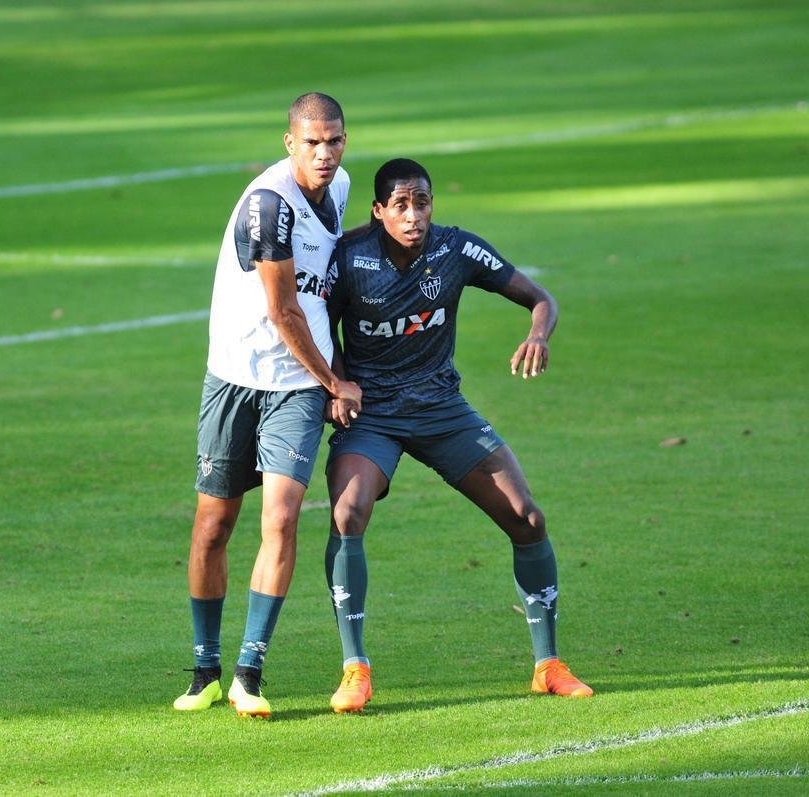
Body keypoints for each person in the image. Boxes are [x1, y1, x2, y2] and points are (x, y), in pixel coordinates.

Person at [321, 158, 593, 713]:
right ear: (378, 212)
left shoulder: (457, 250)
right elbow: (316, 323)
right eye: (399, 204)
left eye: (421, 201)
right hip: (373, 414)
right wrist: (336, 382)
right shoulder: (348, 259)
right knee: (348, 513)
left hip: (442, 408)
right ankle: (355, 669)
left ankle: (549, 665)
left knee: (527, 518)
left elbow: (541, 298)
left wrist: (538, 334)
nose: (413, 214)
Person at [173, 92, 363, 718]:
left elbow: (326, 290)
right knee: (213, 525)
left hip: (296, 388)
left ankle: (248, 673)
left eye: (334, 140)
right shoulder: (267, 206)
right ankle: (204, 668)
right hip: (235, 378)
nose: (325, 153)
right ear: (289, 143)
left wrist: (326, 374)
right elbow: (283, 311)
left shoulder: (338, 190)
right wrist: (336, 379)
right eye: (312, 142)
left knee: (281, 519)